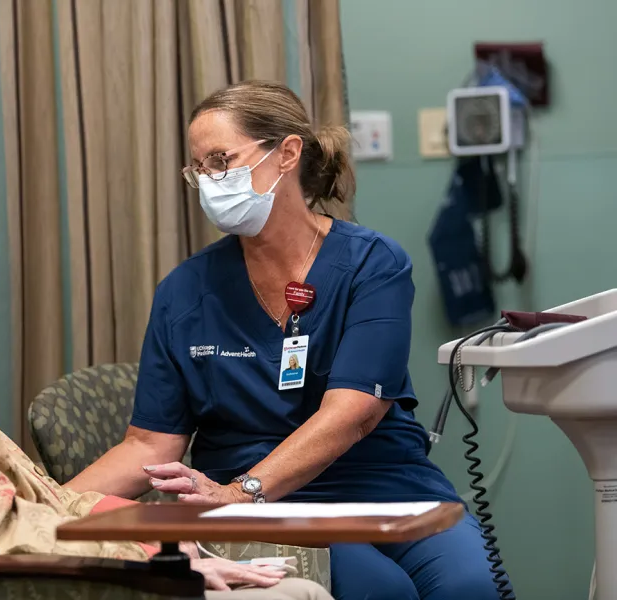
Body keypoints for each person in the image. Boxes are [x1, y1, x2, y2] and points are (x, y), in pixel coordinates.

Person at [66, 81, 513, 600]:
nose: (210, 180)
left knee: (470, 586)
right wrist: (44, 505)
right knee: (378, 590)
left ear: (287, 154)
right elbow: (149, 443)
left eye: (221, 160)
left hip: (382, 486)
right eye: (199, 169)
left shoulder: (372, 265)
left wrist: (241, 493)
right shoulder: (185, 292)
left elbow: (354, 412)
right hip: (259, 509)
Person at [0, 188, 330, 600]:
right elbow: (2, 530)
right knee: (297, 592)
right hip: (8, 584)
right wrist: (159, 559)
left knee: (294, 585)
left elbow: (36, 502)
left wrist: (149, 525)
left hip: (28, 572)